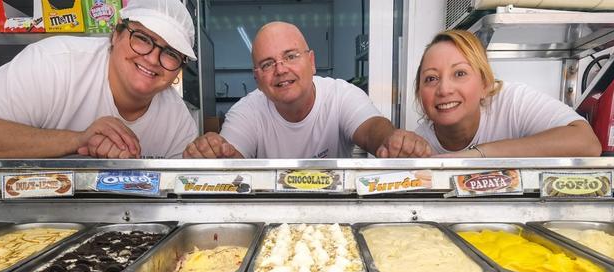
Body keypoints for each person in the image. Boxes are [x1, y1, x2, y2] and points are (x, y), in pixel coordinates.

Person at [0, 0, 198, 159]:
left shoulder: (177, 121)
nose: (153, 58)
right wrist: (80, 139)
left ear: (178, 69)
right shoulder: (54, 63)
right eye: (143, 38)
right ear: (116, 34)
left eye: (171, 53)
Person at [184, 21, 431, 159]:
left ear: (311, 62)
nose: (280, 70)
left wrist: (392, 140)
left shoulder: (340, 95)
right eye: (267, 64)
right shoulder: (246, 111)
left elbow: (372, 129)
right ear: (257, 78)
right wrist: (214, 152)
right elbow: (231, 159)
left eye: (290, 56)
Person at [413, 30, 602, 158]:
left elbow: (587, 143)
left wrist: (478, 155)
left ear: (486, 84)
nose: (444, 89)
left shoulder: (512, 101)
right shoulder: (420, 145)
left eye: (460, 73)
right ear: (420, 93)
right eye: (431, 78)